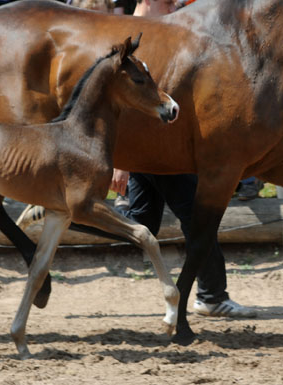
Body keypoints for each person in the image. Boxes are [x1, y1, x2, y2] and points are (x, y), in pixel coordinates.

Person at [109, 0, 256, 318]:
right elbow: (128, 103)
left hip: (162, 148)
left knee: (141, 224)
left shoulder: (172, 18)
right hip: (158, 151)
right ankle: (212, 296)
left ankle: (66, 218)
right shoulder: (134, 34)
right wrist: (122, 160)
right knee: (198, 217)